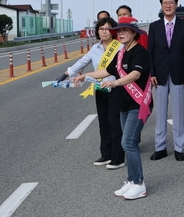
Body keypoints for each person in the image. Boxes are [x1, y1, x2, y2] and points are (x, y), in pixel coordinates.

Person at [73, 17, 152, 200]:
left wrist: (116, 82)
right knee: (128, 141)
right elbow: (106, 71)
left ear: (134, 33)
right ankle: (131, 180)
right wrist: (85, 76)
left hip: (138, 103)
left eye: (125, 30)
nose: (121, 33)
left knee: (128, 143)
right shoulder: (121, 52)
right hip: (124, 103)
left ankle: (139, 183)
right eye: (119, 31)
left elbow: (135, 74)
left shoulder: (139, 52)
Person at [57, 17, 125, 170]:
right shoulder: (95, 48)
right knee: (103, 123)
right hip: (100, 88)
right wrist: (66, 73)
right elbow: (82, 61)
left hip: (116, 88)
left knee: (114, 123)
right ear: (97, 31)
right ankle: (106, 154)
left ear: (113, 31)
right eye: (101, 28)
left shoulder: (119, 47)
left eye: (108, 28)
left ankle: (118, 157)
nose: (104, 31)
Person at [148, 0, 184, 161]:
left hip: (178, 73)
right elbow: (150, 52)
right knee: (160, 113)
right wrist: (152, 73)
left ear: (176, 5)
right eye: (165, 3)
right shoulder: (154, 26)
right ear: (161, 6)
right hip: (159, 74)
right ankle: (160, 147)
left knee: (179, 112)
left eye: (171, 3)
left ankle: (179, 148)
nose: (168, 5)